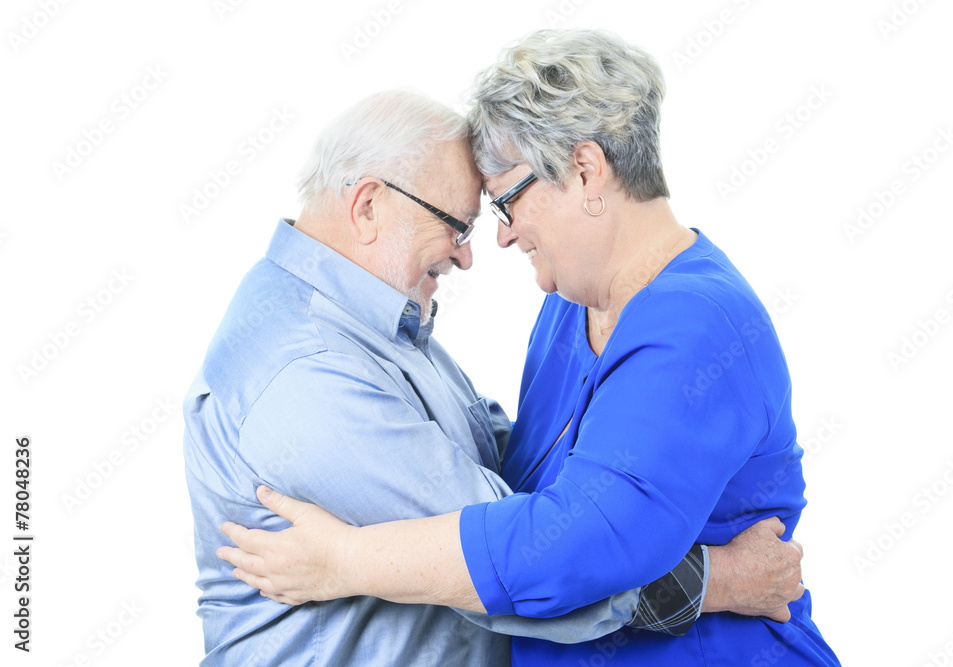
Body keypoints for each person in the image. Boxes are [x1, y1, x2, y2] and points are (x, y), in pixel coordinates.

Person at [217, 30, 841, 665]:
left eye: (507, 202)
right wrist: (719, 579)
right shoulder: (569, 306)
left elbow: (568, 549)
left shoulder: (696, 324)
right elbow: (526, 492)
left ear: (586, 171)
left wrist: (346, 561)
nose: (502, 238)